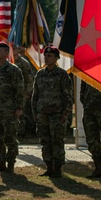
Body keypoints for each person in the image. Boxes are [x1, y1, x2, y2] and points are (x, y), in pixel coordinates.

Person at [31, 45, 73, 177]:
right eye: (45, 55)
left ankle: (58, 168)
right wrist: (34, 112)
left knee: (57, 140)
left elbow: (68, 96)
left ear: (56, 58)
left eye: (50, 56)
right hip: (42, 113)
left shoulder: (62, 74)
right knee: (45, 141)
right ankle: (49, 167)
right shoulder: (40, 74)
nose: (47, 58)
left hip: (57, 114)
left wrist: (66, 113)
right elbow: (35, 95)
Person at [0, 41, 24, 172]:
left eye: (0, 50)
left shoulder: (13, 70)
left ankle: (11, 164)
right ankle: (1, 162)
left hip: (9, 111)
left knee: (10, 138)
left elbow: (20, 90)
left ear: (7, 53)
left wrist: (19, 108)